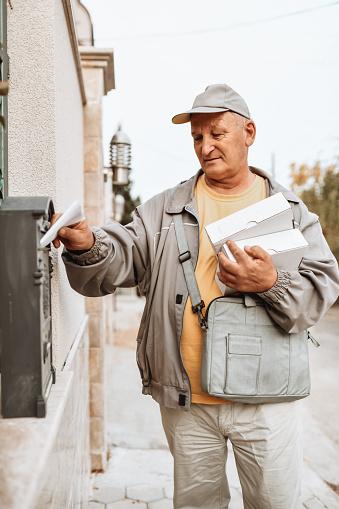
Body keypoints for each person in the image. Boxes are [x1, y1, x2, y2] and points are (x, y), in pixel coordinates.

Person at [52, 84, 339, 509]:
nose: (205, 146)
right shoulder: (162, 209)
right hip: (187, 400)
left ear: (249, 133)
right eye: (197, 137)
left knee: (275, 503)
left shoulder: (292, 211)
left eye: (217, 134)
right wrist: (85, 243)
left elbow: (322, 289)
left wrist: (269, 283)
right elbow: (122, 257)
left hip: (267, 403)